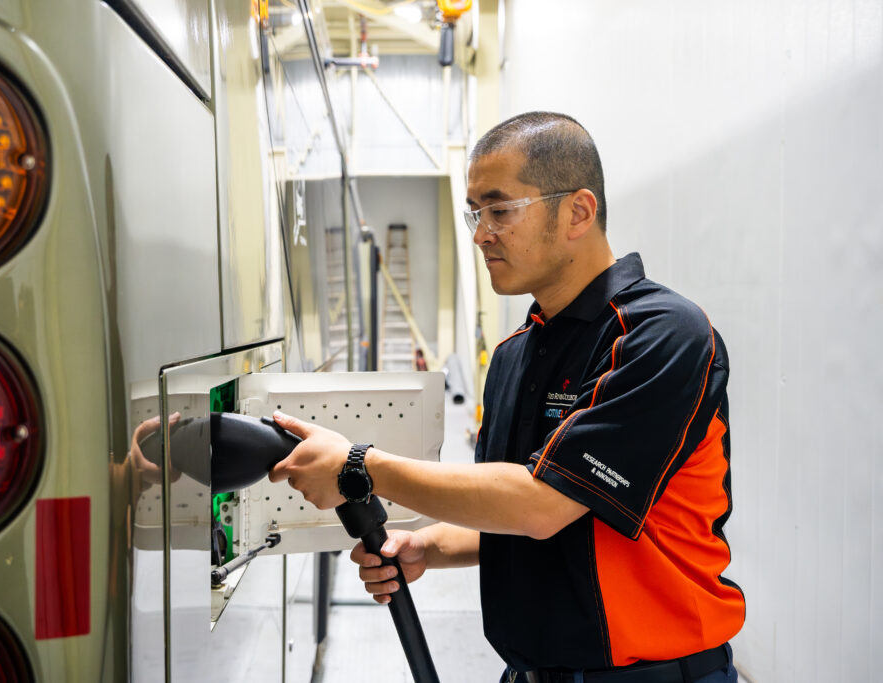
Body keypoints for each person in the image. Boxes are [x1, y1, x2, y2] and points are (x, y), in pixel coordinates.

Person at [269, 112, 745, 683]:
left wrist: (357, 467)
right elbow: (511, 508)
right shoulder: (516, 353)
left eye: (500, 210)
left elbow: (543, 505)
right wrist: (430, 546)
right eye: (476, 213)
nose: (479, 234)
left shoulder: (660, 335)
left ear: (578, 211)